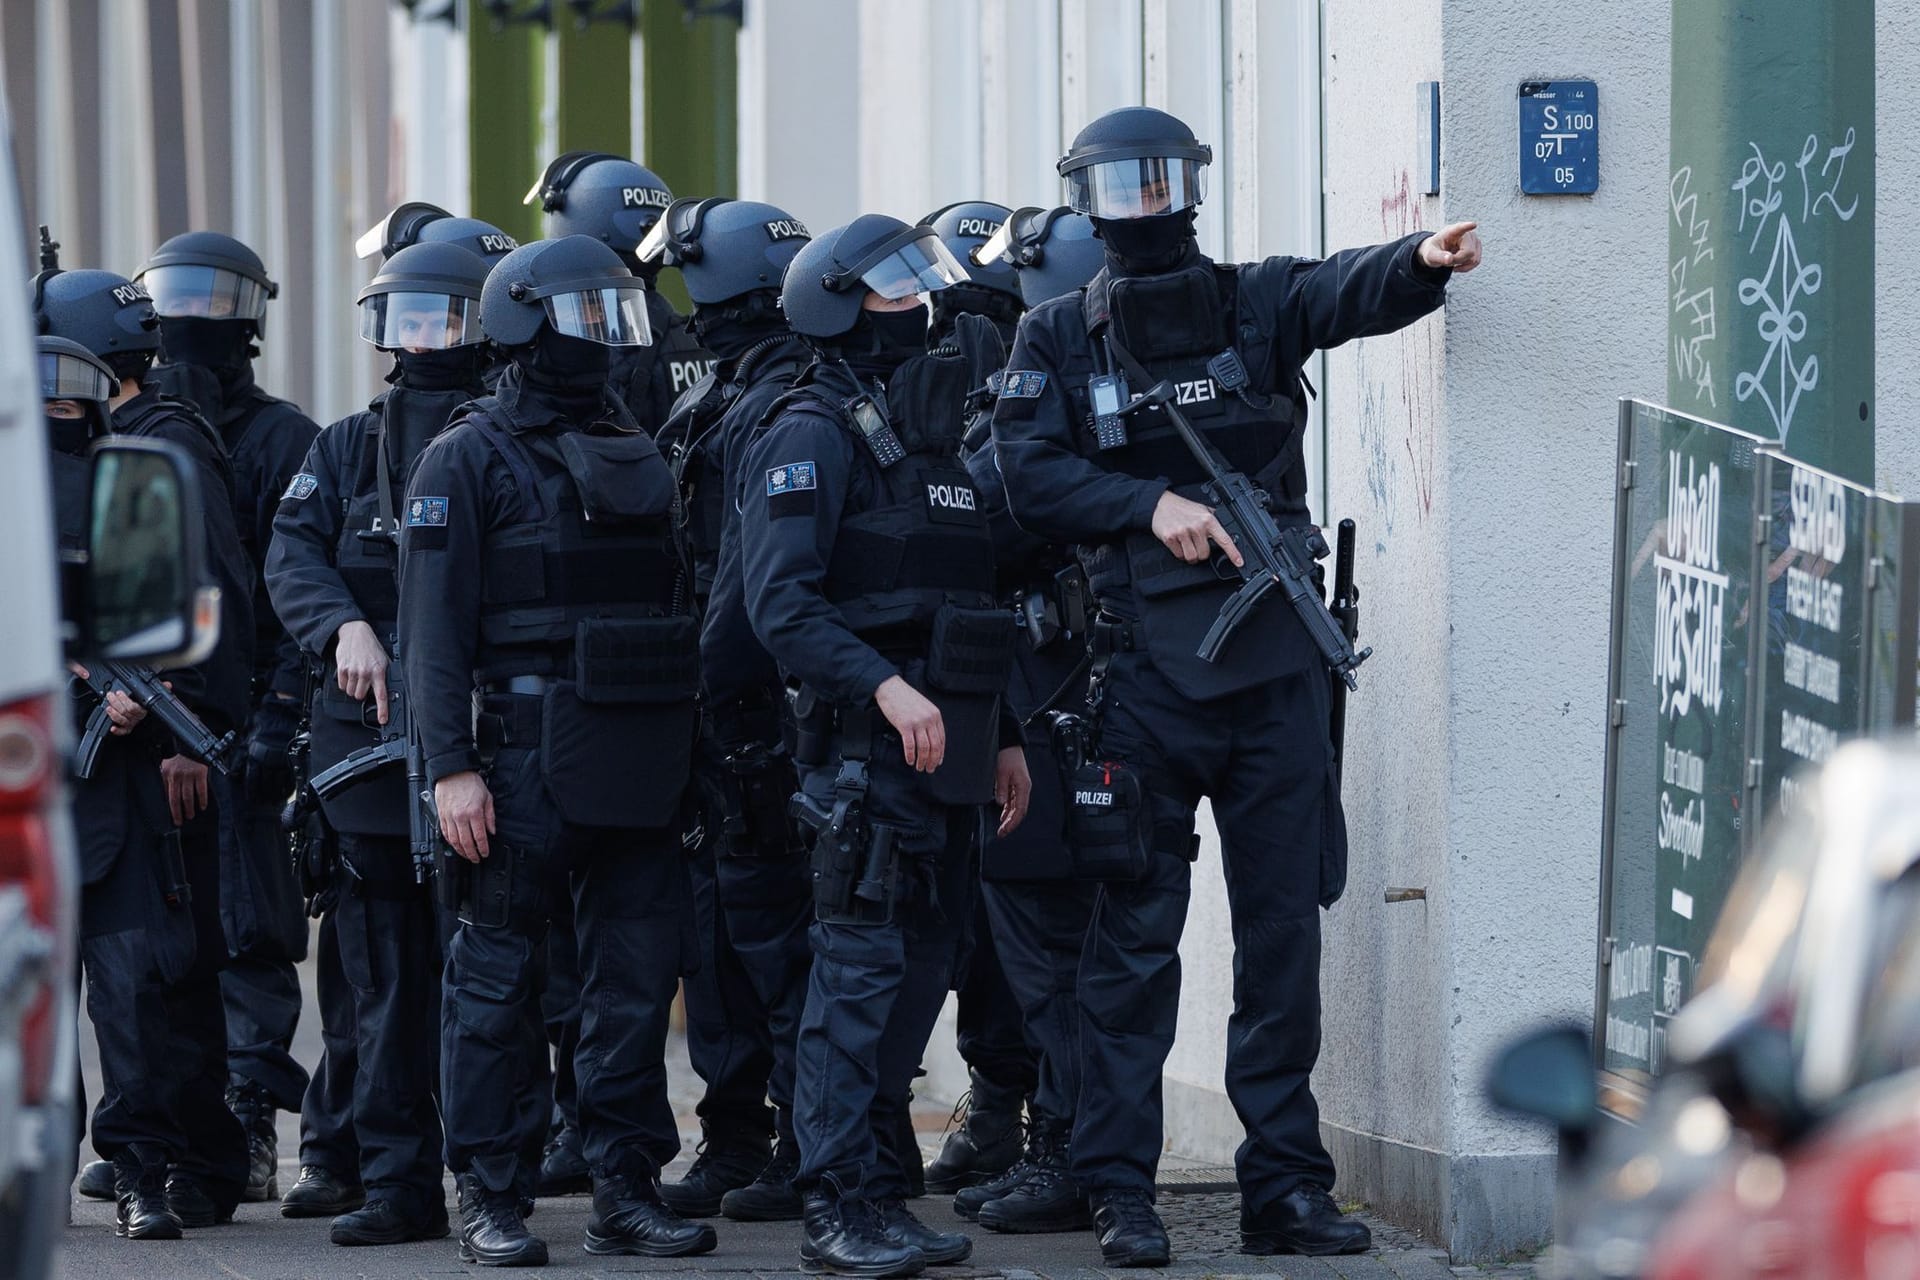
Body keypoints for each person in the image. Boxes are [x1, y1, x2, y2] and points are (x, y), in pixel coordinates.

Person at [992, 106, 1482, 1267]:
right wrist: (1144, 506)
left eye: (1161, 180)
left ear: (1195, 187)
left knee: (1280, 947)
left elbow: (1340, 291)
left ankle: (1286, 1188)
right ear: (1086, 201)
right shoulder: (1057, 337)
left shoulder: (1253, 301)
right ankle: (1121, 1189)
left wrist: (1420, 259)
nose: (1145, 203)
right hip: (1139, 685)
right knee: (1132, 952)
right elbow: (1027, 472)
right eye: (1120, 185)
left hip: (1271, 679)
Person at [399, 235, 715, 1267]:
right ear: (526, 322)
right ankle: (488, 1190)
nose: (605, 338)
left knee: (632, 980)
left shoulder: (636, 443)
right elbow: (431, 635)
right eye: (586, 316)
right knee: (495, 981)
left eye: (614, 316)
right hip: (519, 755)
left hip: (638, 748)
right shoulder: (464, 455)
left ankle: (625, 1182)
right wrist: (449, 766)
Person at [739, 213, 1031, 1277]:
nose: (920, 307)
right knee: (856, 979)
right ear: (835, 302)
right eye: (894, 291)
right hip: (864, 755)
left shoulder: (931, 443)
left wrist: (997, 740)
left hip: (947, 757)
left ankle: (876, 1191)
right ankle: (837, 1207)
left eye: (920, 285)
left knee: (920, 975)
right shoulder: (809, 431)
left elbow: (964, 606)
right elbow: (781, 607)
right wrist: (886, 685)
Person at [275, 205, 519, 1221]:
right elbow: (291, 554)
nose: (424, 338)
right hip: (365, 759)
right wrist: (341, 626)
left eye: (446, 317)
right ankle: (395, 1176)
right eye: (408, 317)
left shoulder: (507, 443)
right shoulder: (344, 448)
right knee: (379, 980)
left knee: (496, 976)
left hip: (484, 745)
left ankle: (495, 1177)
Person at [38, 269, 255, 1233]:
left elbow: (178, 608)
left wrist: (138, 695)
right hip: (28, 764)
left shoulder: (131, 474)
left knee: (133, 985)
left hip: (114, 770)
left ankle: (140, 1168)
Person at [523, 154, 716, 1194]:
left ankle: (582, 1129)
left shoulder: (601, 351)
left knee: (579, 938)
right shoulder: (689, 338)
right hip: (670, 660)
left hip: (592, 671)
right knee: (652, 938)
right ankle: (634, 1147)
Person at [636, 196, 817, 1222]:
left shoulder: (766, 404)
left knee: (766, 936)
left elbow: (739, 584)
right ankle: (750, 1135)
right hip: (751, 707)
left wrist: (691, 690)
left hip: (752, 711)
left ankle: (795, 1141)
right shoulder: (750, 394)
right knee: (725, 935)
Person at [136, 231, 319, 1203]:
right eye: (181, 294)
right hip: (152, 713)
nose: (196, 315)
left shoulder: (284, 437)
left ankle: (248, 1116)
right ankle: (169, 1119)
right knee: (155, 934)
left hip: (246, 716)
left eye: (216, 296)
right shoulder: (147, 427)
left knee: (250, 929)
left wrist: (274, 719)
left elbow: (293, 587)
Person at [953, 205, 1108, 1237]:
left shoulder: (1038, 401)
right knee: (1105, 947)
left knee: (1048, 946)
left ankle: (1068, 1152)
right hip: (1129, 703)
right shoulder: (1149, 381)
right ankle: (1084, 1149)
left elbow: (982, 505)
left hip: (1059, 701)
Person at [914, 198, 1038, 1198]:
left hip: (1010, 669)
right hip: (988, 669)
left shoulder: (999, 364)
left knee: (999, 908)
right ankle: (1005, 1103)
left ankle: (1009, 1103)